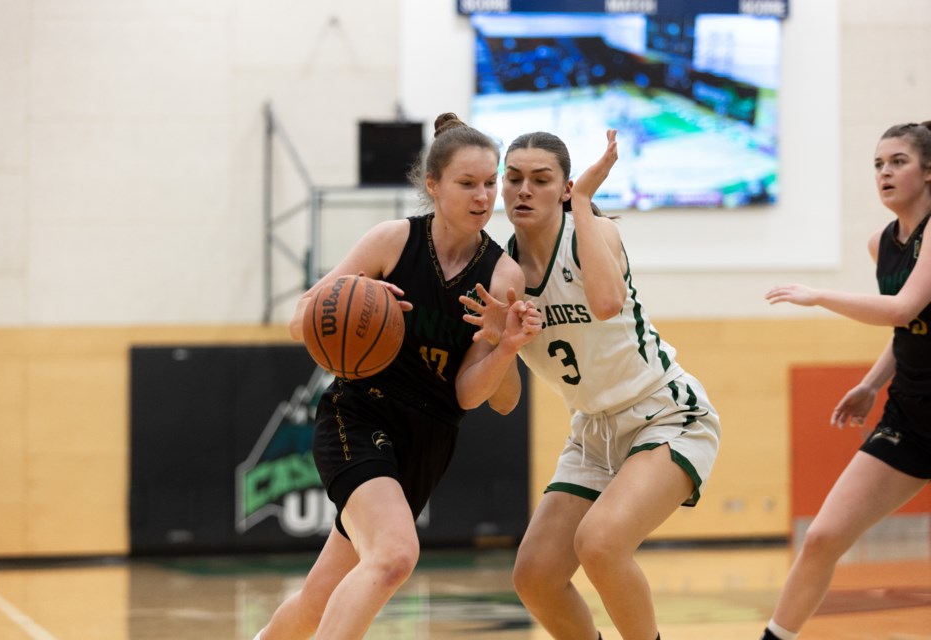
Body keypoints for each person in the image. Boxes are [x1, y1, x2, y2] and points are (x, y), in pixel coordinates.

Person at [253, 112, 541, 640]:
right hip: (360, 415)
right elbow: (300, 320)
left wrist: (503, 347)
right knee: (393, 556)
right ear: (432, 185)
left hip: (427, 440)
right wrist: (351, 300)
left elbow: (488, 399)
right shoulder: (392, 242)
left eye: (490, 182)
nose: (483, 196)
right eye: (467, 183)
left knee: (319, 599)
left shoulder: (503, 276)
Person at [465, 128, 721, 640]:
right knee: (535, 577)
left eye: (541, 180)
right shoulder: (502, 274)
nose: (522, 190)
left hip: (664, 414)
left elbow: (605, 304)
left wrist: (584, 200)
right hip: (592, 434)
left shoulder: (594, 233)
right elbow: (504, 402)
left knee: (601, 544)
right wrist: (502, 344)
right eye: (512, 179)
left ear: (564, 188)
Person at [761, 121, 931, 640]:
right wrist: (872, 382)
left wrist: (820, 296)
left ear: (928, 171)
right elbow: (908, 328)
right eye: (878, 164)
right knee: (823, 537)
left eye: (898, 161)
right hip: (913, 415)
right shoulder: (882, 243)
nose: (884, 172)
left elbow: (902, 305)